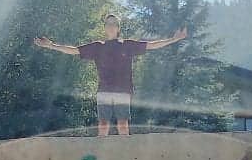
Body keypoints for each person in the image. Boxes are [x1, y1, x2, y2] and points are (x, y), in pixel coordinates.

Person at [33, 13, 187, 136]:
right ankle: (101, 154)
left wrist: (174, 39)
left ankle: (125, 153)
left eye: (114, 24)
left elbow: (152, 45)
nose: (111, 26)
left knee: (122, 124)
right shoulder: (97, 47)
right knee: (103, 124)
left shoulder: (127, 45)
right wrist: (51, 45)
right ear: (105, 28)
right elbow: (74, 50)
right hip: (104, 91)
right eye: (109, 23)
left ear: (118, 28)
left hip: (123, 91)